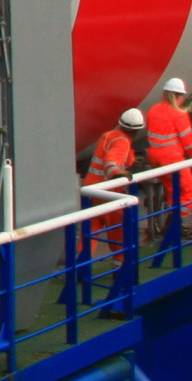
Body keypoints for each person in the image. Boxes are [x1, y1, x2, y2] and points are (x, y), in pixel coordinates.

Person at [140, 79, 192, 239]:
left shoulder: (153, 110)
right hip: (173, 161)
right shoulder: (179, 115)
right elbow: (189, 142)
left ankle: (170, 225)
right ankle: (173, 224)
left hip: (156, 160)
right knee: (190, 193)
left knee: (173, 192)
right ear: (177, 96)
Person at [85, 107, 144, 268]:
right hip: (108, 193)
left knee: (90, 229)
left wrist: (130, 159)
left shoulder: (108, 135)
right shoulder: (123, 141)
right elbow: (111, 163)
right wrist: (120, 174)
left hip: (91, 190)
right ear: (137, 130)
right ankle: (120, 267)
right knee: (117, 231)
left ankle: (81, 266)